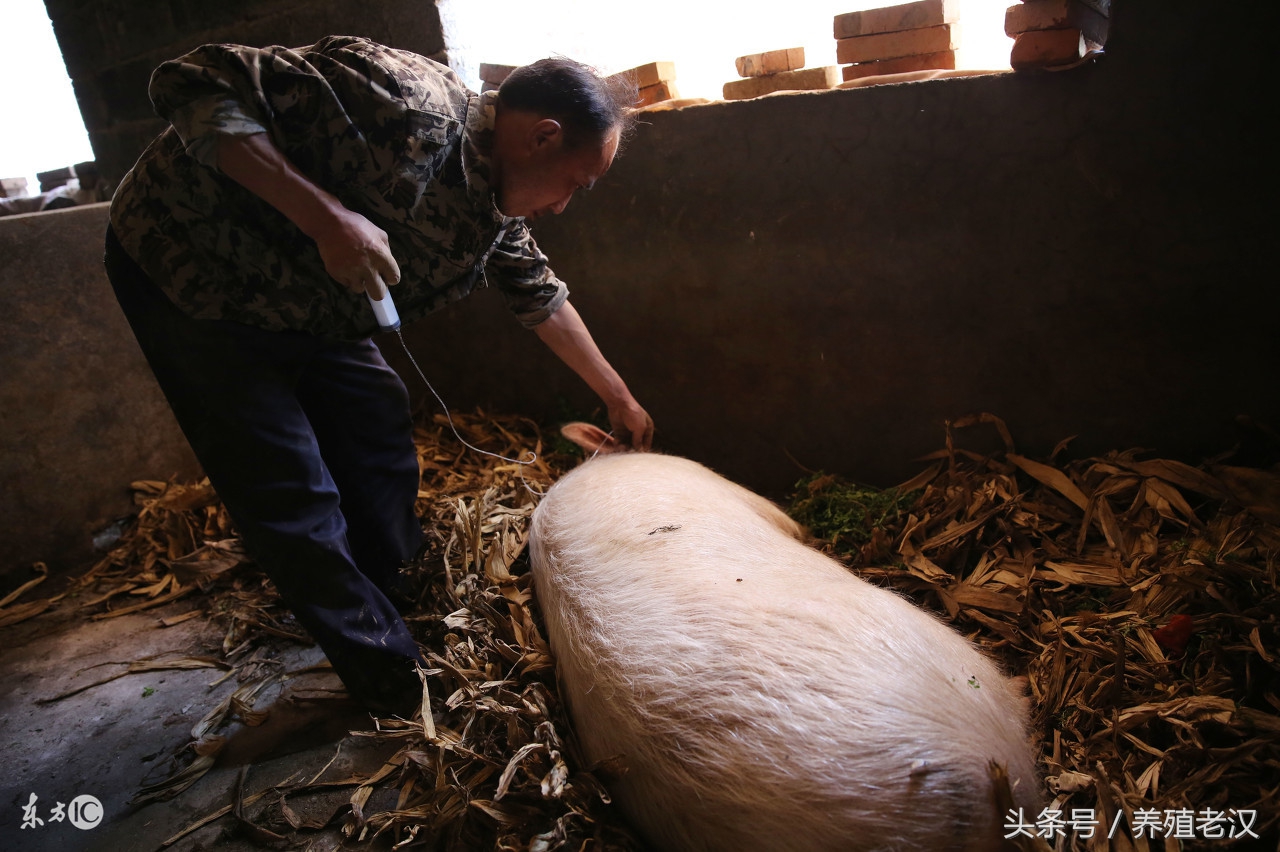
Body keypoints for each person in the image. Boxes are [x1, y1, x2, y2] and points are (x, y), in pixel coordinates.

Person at [104, 36, 653, 715]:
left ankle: (409, 600)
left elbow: (537, 293)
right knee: (290, 490)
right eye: (576, 183)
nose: (565, 205)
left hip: (314, 301)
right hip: (197, 278)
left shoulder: (491, 204)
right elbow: (191, 80)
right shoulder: (400, 99)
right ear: (541, 138)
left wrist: (618, 398)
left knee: (377, 427)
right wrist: (323, 215)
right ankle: (394, 684)